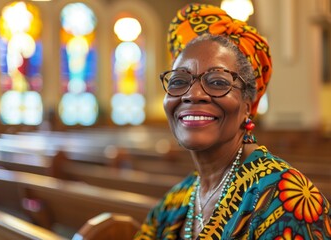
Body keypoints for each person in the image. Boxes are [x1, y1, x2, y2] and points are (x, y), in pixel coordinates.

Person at [134, 3, 331, 240]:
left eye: (217, 82)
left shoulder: (287, 200)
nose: (193, 94)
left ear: (248, 105)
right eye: (178, 81)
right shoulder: (171, 205)